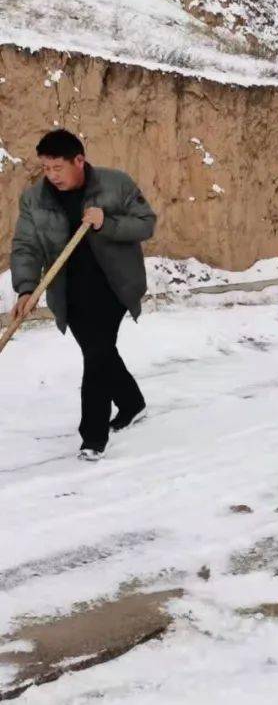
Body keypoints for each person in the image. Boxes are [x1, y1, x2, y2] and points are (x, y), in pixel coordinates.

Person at [9, 130, 157, 461]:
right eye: (46, 168)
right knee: (99, 351)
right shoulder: (36, 199)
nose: (51, 175)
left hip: (114, 284)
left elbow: (146, 223)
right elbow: (26, 246)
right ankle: (132, 403)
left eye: (58, 167)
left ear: (79, 160)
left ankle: (93, 436)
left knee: (96, 354)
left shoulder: (114, 184)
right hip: (68, 291)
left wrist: (107, 222)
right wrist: (27, 288)